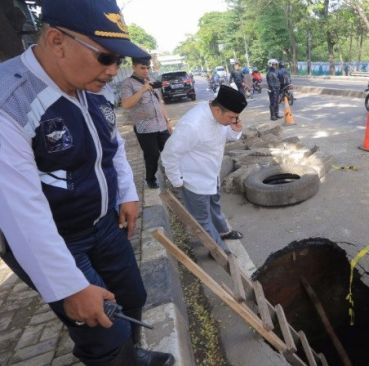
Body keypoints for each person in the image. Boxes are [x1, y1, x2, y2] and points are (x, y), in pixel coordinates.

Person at [0, 0, 175, 365]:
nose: (113, 71)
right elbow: (20, 213)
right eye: (105, 58)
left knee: (133, 295)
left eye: (119, 61)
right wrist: (69, 287)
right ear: (56, 40)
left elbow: (111, 148)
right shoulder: (10, 102)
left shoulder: (93, 88)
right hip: (57, 238)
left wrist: (126, 193)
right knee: (103, 330)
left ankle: (133, 354)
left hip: (104, 222)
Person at [161, 86, 247, 254]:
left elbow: (224, 135)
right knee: (202, 220)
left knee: (214, 206)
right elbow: (169, 154)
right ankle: (219, 251)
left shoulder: (218, 116)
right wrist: (177, 182)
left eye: (235, 118)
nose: (233, 120)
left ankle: (223, 232)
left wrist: (235, 130)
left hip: (211, 174)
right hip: (194, 181)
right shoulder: (192, 125)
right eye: (231, 117)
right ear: (217, 109)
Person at [120, 56, 172, 189]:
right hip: (145, 128)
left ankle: (171, 177)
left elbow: (159, 103)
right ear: (134, 67)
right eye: (142, 68)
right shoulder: (128, 83)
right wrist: (142, 89)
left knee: (170, 151)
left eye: (147, 68)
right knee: (152, 155)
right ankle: (150, 178)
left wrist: (168, 121)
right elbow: (126, 104)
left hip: (161, 125)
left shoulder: (151, 81)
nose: (146, 71)